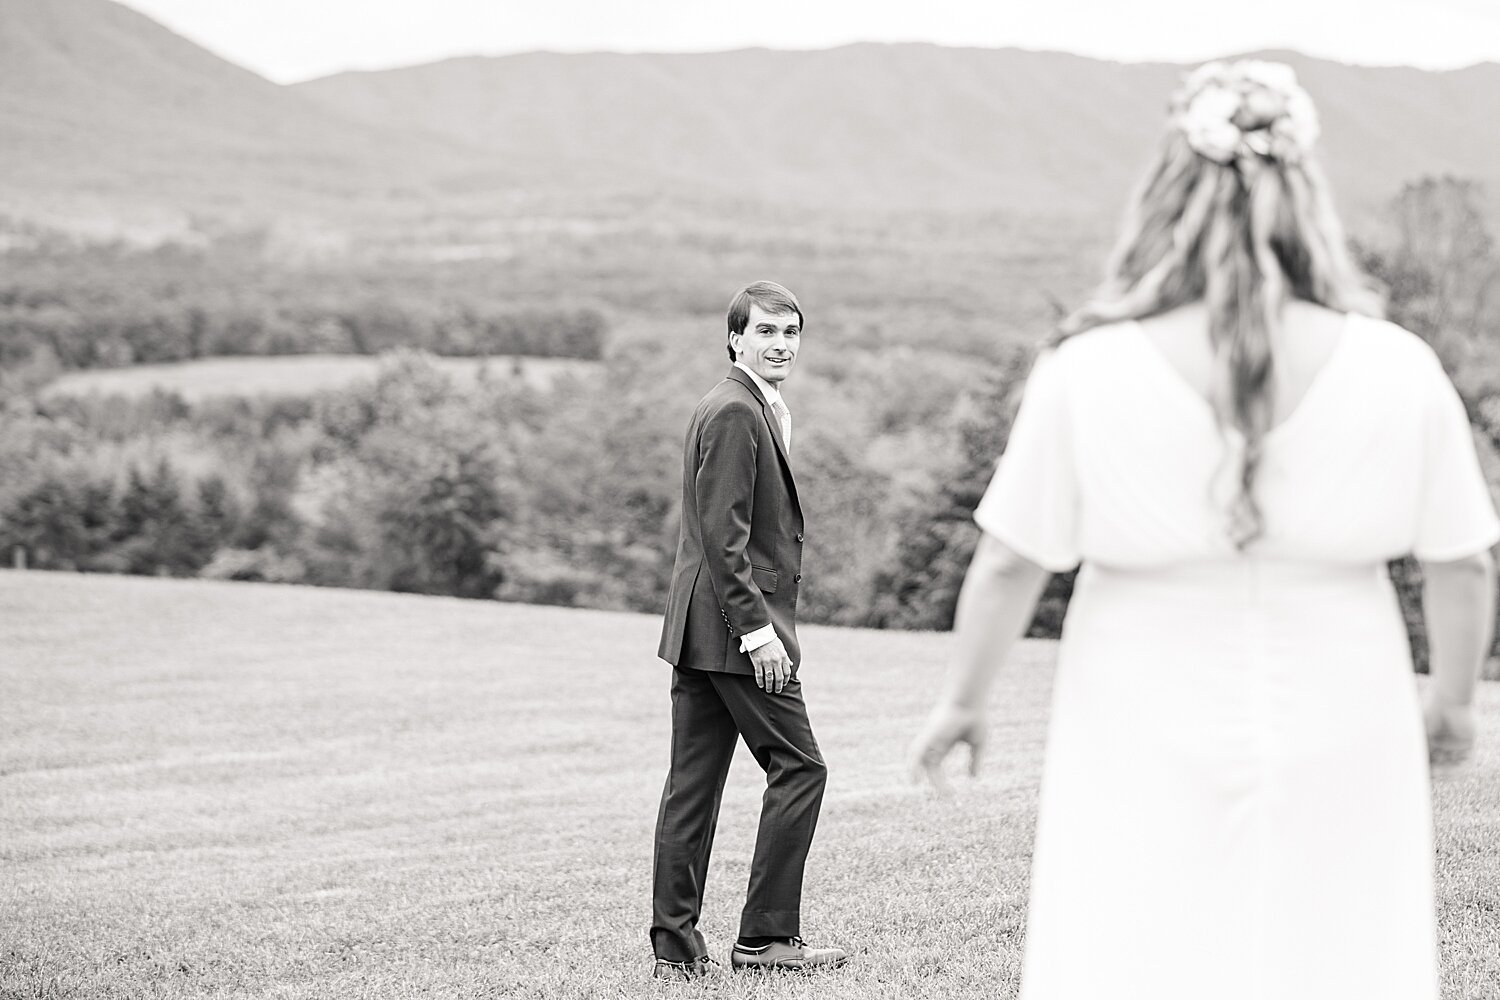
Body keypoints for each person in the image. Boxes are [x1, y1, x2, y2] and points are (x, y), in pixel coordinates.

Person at [909, 60, 1498, 1000]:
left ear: (1165, 194)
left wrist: (965, 699)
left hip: (1139, 701)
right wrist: (1456, 703)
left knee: (1137, 936)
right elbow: (1462, 562)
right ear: (1308, 198)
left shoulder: (1086, 369)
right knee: (1338, 942)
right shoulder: (1400, 366)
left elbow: (1013, 559)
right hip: (1345, 700)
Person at [649, 280, 847, 980]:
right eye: (765, 331)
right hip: (736, 632)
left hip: (700, 629)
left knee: (692, 788)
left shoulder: (747, 405)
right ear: (735, 337)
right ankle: (765, 939)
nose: (780, 344)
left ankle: (675, 950)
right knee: (802, 768)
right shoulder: (736, 411)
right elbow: (722, 536)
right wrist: (759, 634)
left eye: (791, 332)